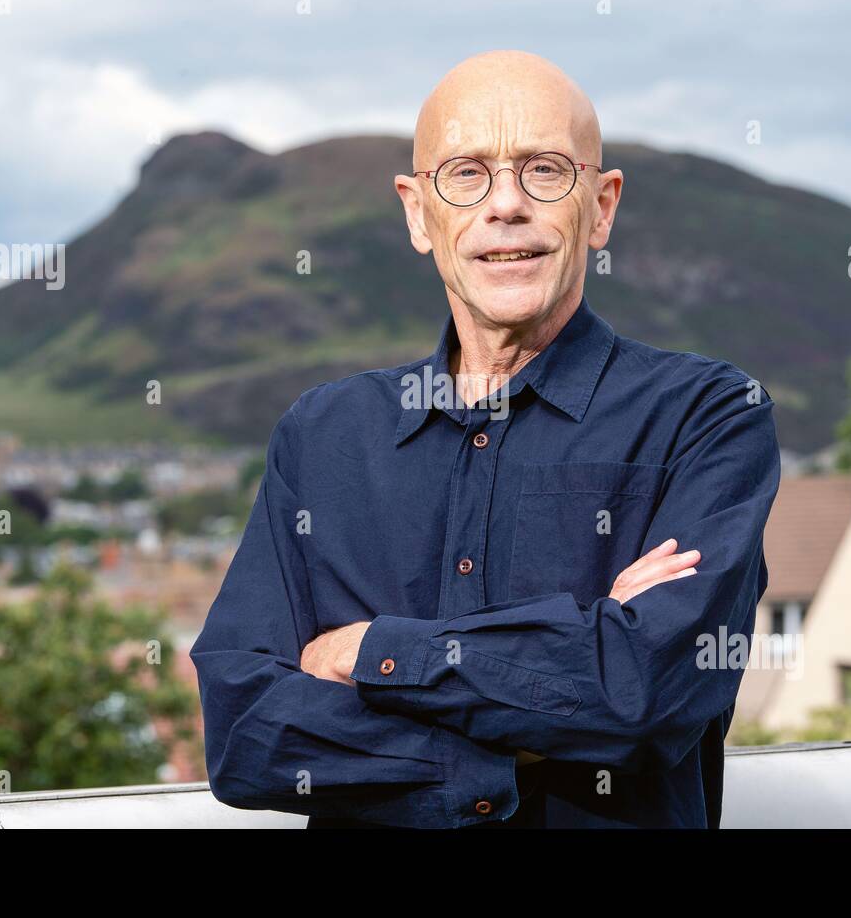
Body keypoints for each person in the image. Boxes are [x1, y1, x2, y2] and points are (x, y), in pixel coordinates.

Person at [191, 50, 780, 828]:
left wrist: (372, 656)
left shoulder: (707, 415)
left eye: (544, 171)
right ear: (416, 212)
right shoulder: (322, 436)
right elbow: (245, 731)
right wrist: (540, 708)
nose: (506, 205)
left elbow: (647, 689)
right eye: (466, 174)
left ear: (601, 208)